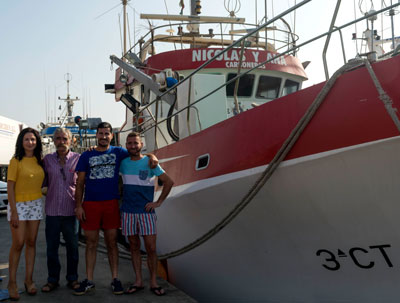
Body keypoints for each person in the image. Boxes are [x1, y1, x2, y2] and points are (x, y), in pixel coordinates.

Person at [74, 122, 157, 296]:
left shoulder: (118, 152)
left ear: (112, 136)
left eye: (107, 134)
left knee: (112, 243)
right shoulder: (86, 156)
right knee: (91, 243)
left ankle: (115, 279)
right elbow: (80, 182)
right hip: (91, 204)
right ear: (96, 135)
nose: (104, 136)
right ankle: (89, 280)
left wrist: (152, 156)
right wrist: (79, 205)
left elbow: (137, 153)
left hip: (111, 203)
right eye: (101, 133)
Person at [120, 132, 174, 296]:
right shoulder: (123, 163)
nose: (132, 146)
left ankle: (153, 281)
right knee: (134, 247)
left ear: (141, 144)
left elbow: (169, 182)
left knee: (150, 248)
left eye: (135, 143)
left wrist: (158, 203)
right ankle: (138, 281)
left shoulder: (150, 163)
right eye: (129, 143)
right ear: (126, 145)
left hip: (146, 212)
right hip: (128, 212)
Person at [7, 127, 45, 300]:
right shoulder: (16, 161)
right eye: (27, 139)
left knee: (31, 242)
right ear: (21, 142)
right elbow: (10, 187)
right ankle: (12, 283)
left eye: (33, 139)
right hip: (19, 205)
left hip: (36, 204)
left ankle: (29, 280)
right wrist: (14, 211)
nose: (31, 142)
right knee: (19, 243)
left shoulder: (40, 160)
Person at [41, 128, 80, 292]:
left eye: (64, 139)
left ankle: (72, 279)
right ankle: (52, 280)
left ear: (71, 141)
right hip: (52, 212)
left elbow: (83, 184)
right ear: (53, 140)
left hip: (71, 212)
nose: (61, 142)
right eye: (57, 139)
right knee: (51, 249)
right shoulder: (47, 160)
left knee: (73, 248)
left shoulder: (78, 159)